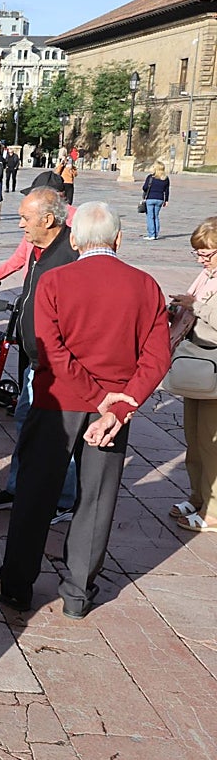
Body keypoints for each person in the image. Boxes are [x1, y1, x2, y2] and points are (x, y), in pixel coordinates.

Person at [0, 203, 170, 619]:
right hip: (114, 408)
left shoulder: (55, 281)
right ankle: (78, 592)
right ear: (118, 239)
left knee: (35, 491)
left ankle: (15, 585)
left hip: (60, 400)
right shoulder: (145, 286)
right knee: (97, 497)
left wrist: (98, 396)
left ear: (77, 240)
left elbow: (49, 351)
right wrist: (121, 401)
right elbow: (157, 357)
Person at [0, 187, 80, 519]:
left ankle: (63, 499)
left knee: (58, 434)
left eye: (25, 218)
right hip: (35, 360)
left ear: (48, 219)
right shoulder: (38, 247)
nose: (20, 224)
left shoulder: (69, 254)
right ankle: (17, 488)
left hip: (58, 364)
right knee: (25, 423)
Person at [169, 218, 217, 532]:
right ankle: (198, 496)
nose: (202, 259)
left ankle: (213, 508)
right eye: (198, 253)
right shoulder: (206, 276)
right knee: (194, 438)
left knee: (211, 442)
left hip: (214, 363)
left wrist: (196, 306)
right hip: (197, 360)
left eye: (208, 253)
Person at [0, 171, 71, 288]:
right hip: (32, 285)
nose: (21, 224)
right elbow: (21, 254)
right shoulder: (33, 225)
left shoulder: (76, 222)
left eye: (36, 194)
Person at [142, 161, 171, 240]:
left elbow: (144, 188)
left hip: (150, 198)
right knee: (156, 217)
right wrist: (166, 200)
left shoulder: (150, 177)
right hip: (160, 199)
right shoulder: (165, 178)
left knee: (150, 217)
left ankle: (151, 234)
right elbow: (167, 190)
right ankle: (156, 234)